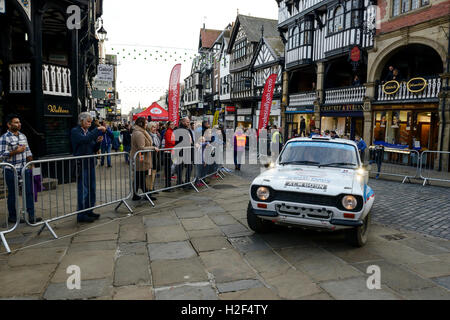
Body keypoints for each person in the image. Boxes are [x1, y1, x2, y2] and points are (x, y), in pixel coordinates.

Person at [0, 115, 42, 224]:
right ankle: (13, 217)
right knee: (13, 194)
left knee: (29, 192)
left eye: (19, 122)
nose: (19, 124)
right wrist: (16, 151)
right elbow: (1, 155)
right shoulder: (4, 138)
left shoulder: (23, 136)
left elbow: (28, 151)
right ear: (9, 125)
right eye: (16, 122)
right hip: (11, 170)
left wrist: (32, 165)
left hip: (25, 169)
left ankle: (31, 216)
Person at [71, 112, 106, 223]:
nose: (90, 124)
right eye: (88, 121)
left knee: (92, 189)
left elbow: (93, 148)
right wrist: (96, 131)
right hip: (81, 164)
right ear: (81, 120)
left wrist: (98, 142)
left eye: (91, 122)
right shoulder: (75, 131)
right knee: (83, 190)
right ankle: (81, 214)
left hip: (90, 163)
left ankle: (89, 210)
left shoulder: (88, 132)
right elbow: (83, 140)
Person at [130, 117, 158, 201]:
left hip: (142, 159)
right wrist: (153, 147)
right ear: (141, 124)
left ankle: (141, 194)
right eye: (145, 123)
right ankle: (143, 194)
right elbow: (141, 147)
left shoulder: (141, 131)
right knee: (140, 177)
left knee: (140, 177)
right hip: (140, 159)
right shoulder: (139, 133)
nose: (146, 124)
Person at [174, 117, 194, 187]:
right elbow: (178, 141)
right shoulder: (178, 130)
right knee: (180, 168)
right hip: (181, 152)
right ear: (182, 122)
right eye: (187, 122)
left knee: (189, 167)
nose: (188, 123)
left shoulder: (188, 130)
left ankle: (187, 181)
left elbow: (191, 140)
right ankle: (179, 182)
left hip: (188, 151)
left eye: (189, 122)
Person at [148, 122, 161, 194]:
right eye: (153, 127)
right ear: (150, 128)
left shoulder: (157, 135)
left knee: (154, 172)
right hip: (150, 156)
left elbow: (159, 144)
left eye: (155, 127)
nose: (155, 128)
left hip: (156, 156)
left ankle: (152, 187)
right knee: (150, 173)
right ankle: (149, 189)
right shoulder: (148, 135)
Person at [163, 121, 176, 191]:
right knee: (168, 170)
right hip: (168, 152)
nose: (173, 125)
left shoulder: (171, 131)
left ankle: (168, 185)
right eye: (171, 124)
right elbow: (169, 141)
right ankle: (167, 186)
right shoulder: (168, 131)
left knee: (170, 169)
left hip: (171, 151)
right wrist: (175, 142)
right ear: (168, 125)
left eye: (173, 124)